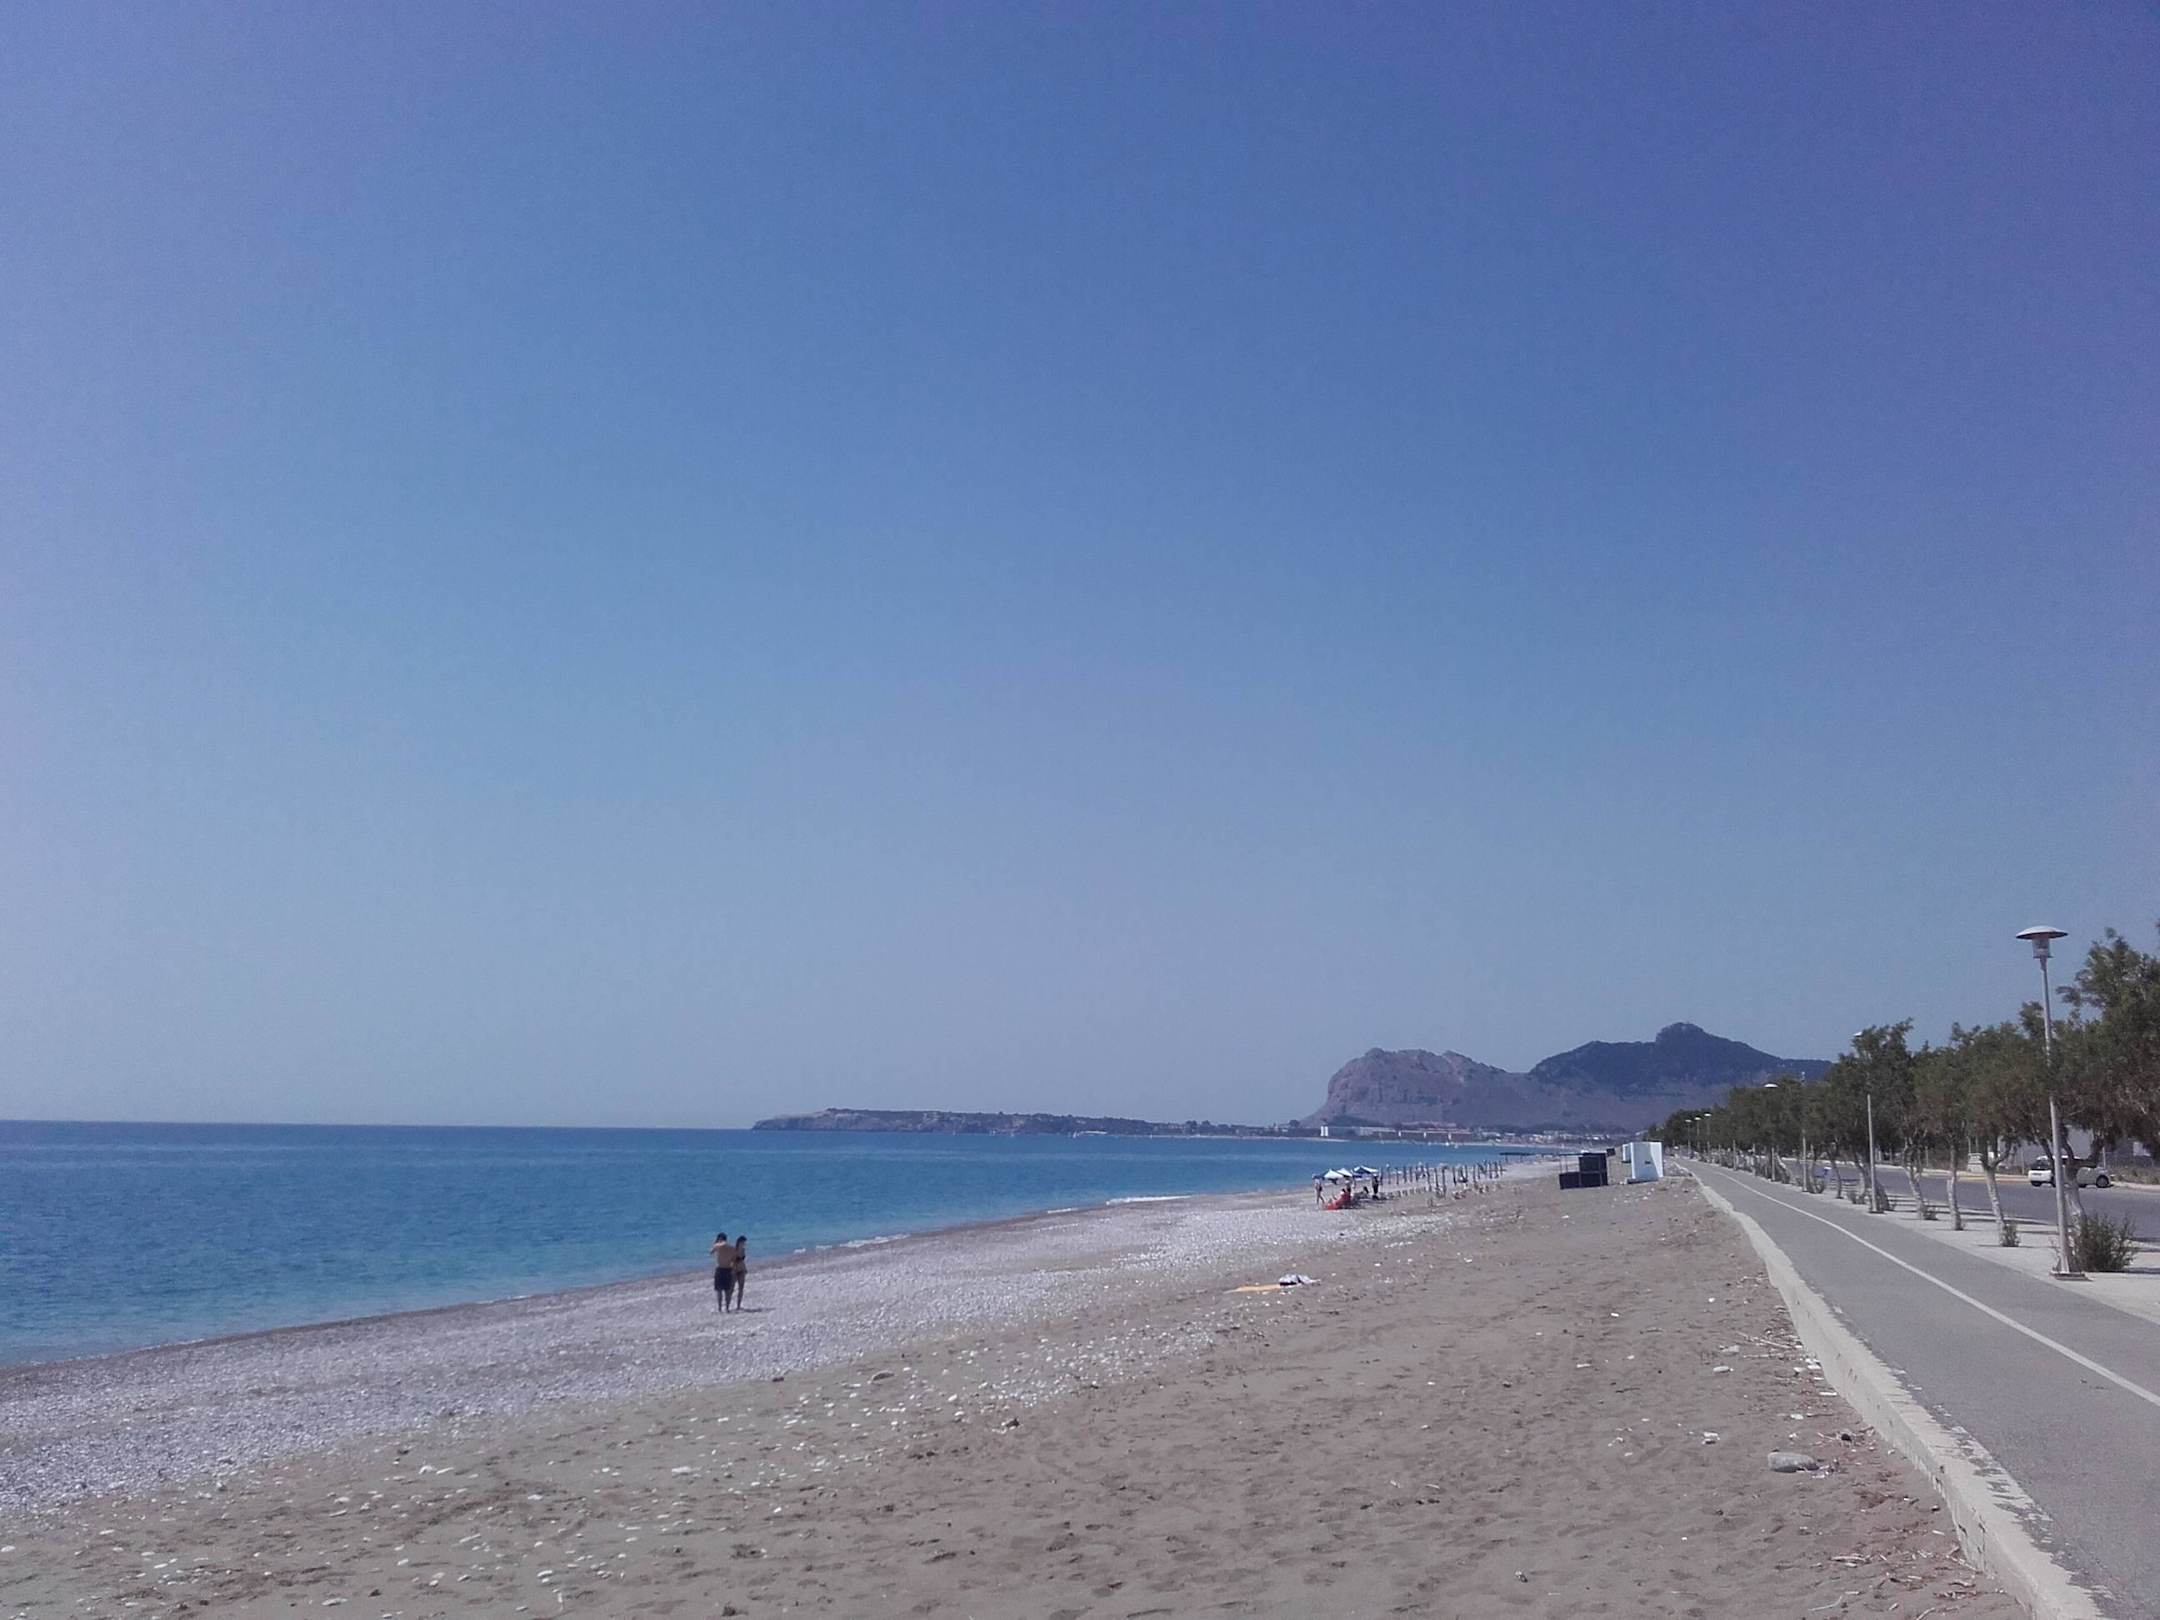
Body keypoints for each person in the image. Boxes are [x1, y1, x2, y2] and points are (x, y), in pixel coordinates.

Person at [710, 1231, 735, 1313]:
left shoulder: (717, 1246)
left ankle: (720, 1308)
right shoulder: (731, 1247)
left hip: (720, 1269)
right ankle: (727, 1308)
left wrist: (715, 1242)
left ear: (719, 1238)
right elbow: (733, 1259)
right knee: (727, 1290)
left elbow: (711, 1252)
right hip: (728, 1269)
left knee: (719, 1290)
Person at [731, 1234, 749, 1310]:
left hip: (742, 1269)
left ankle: (738, 1305)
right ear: (739, 1242)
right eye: (743, 1242)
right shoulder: (734, 1250)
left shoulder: (743, 1250)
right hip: (734, 1269)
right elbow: (732, 1260)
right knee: (731, 1288)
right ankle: (728, 1304)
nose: (744, 1244)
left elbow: (742, 1260)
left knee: (741, 1288)